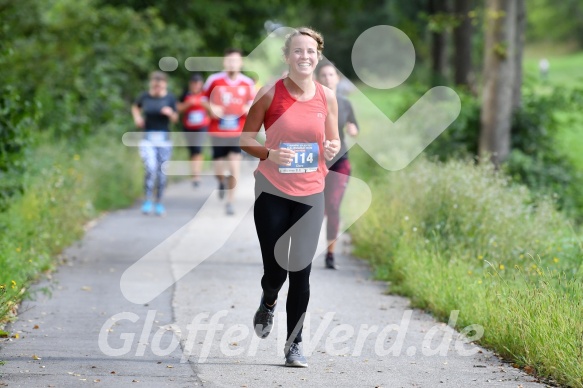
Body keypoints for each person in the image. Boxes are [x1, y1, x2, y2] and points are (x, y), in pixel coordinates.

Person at [240, 27, 340, 367]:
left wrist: (330, 147)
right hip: (271, 190)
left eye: (311, 51)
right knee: (276, 272)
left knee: (300, 270)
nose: (305, 57)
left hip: (311, 192)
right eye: (298, 51)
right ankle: (268, 300)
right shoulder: (270, 93)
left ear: (318, 55)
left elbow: (333, 141)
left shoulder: (327, 97)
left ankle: (294, 343)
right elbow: (245, 139)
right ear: (287, 57)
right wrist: (269, 154)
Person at [202, 48, 255, 215]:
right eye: (229, 60)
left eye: (236, 60)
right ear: (224, 62)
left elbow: (253, 103)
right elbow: (203, 99)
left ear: (241, 63)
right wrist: (212, 108)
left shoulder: (247, 83)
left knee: (234, 166)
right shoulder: (214, 80)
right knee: (218, 169)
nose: (232, 63)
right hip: (217, 131)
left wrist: (248, 108)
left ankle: (230, 202)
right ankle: (221, 181)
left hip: (237, 132)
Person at [317, 62, 359, 269]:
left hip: (340, 159)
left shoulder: (344, 103)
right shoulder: (312, 102)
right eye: (323, 75)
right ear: (318, 79)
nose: (327, 78)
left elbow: (354, 125)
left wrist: (352, 129)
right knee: (314, 208)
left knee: (333, 206)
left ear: (337, 79)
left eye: (331, 75)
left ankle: (330, 254)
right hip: (316, 161)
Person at [131, 71, 178, 216]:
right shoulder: (145, 97)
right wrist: (138, 118)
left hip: (164, 139)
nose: (157, 88)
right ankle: (147, 200)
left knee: (161, 172)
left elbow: (176, 119)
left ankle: (159, 202)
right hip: (148, 139)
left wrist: (170, 113)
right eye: (155, 85)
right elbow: (135, 107)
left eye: (160, 86)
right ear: (152, 84)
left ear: (165, 85)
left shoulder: (170, 98)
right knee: (150, 168)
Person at [177, 73, 210, 187]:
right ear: (190, 84)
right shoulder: (185, 95)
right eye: (194, 84)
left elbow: (214, 109)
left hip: (202, 126)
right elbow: (178, 108)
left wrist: (204, 104)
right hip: (188, 126)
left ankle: (197, 175)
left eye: (198, 84)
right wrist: (188, 104)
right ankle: (194, 173)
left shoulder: (205, 96)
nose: (196, 86)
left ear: (201, 85)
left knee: (198, 148)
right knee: (192, 150)